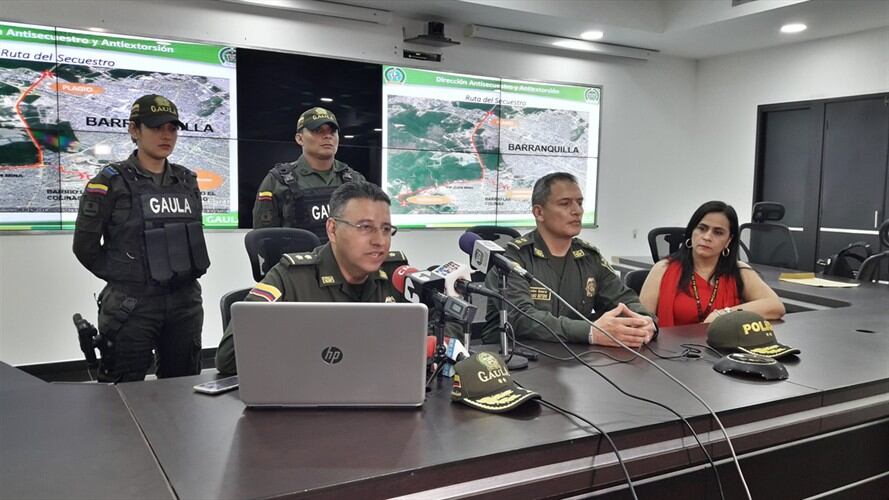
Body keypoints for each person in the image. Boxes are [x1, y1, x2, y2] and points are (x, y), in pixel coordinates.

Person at [73, 94, 210, 382]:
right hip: (132, 305)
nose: (166, 135)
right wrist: (127, 276)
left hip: (184, 302)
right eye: (157, 127)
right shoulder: (110, 181)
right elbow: (84, 246)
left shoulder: (186, 180)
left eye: (172, 128)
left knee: (183, 390)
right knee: (124, 393)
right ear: (134, 131)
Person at [216, 181, 406, 375]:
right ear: (332, 229)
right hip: (304, 392)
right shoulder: (291, 278)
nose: (380, 241)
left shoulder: (396, 275)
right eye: (365, 227)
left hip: (376, 390)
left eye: (385, 229)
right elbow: (228, 359)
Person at [482, 172, 657, 347]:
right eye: (565, 204)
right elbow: (521, 318)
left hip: (574, 360)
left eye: (579, 203)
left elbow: (623, 299)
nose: (577, 211)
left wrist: (645, 321)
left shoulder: (589, 257)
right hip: (515, 360)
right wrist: (590, 331)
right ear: (539, 212)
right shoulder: (512, 259)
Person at [639, 200, 786, 327]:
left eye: (718, 232)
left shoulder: (739, 271)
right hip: (670, 353)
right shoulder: (663, 269)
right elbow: (641, 322)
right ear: (692, 232)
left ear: (729, 240)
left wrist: (723, 314)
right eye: (702, 229)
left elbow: (776, 306)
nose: (707, 237)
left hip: (722, 353)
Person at [251, 106, 365, 242]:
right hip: (299, 262)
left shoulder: (355, 181)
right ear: (300, 139)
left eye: (332, 131)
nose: (327, 135)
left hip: (344, 262)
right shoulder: (277, 181)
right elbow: (264, 240)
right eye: (318, 131)